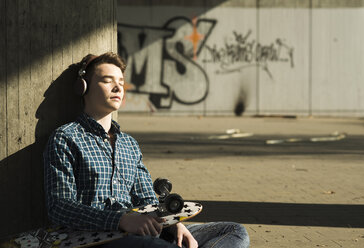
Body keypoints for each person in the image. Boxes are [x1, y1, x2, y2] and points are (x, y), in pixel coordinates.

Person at [44, 52, 250, 248]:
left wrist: (172, 223)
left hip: (143, 230)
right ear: (84, 87)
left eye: (121, 82)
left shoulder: (129, 144)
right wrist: (121, 220)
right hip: (97, 238)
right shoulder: (66, 138)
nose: (117, 87)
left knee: (234, 231)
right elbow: (60, 207)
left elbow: (147, 199)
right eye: (107, 81)